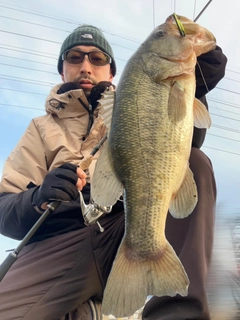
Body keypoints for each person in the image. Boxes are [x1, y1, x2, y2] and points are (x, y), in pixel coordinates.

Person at [0, 22, 227, 320]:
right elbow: (4, 209)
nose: (85, 66)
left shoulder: (137, 98)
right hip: (61, 244)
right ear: (62, 70)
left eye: (97, 59)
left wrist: (197, 85)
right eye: (74, 57)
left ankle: (177, 313)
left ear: (111, 72)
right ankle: (83, 308)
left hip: (124, 223)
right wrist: (39, 196)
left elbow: (185, 140)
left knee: (195, 163)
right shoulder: (39, 129)